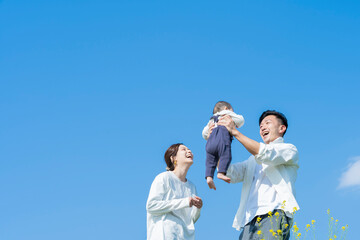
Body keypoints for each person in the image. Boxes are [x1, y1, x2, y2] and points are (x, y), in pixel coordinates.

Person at [214, 110, 299, 240]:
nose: (263, 127)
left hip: (274, 212)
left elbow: (266, 153)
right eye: (260, 126)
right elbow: (230, 172)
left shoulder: (289, 150)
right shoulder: (251, 160)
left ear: (282, 128)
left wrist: (235, 132)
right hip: (249, 219)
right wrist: (216, 139)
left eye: (267, 123)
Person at [146, 143, 203, 240]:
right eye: (183, 149)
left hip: (184, 236)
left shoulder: (192, 187)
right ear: (173, 158)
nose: (189, 151)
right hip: (165, 234)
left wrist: (198, 208)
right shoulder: (164, 177)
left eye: (189, 149)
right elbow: (151, 206)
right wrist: (184, 202)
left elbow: (191, 220)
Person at [202, 101, 244, 190]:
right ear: (226, 108)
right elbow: (240, 120)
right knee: (225, 155)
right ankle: (221, 173)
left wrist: (209, 134)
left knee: (210, 161)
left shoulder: (211, 120)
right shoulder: (227, 115)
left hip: (210, 142)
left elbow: (204, 133)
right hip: (222, 139)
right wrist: (234, 121)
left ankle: (209, 177)